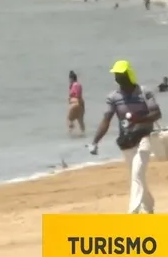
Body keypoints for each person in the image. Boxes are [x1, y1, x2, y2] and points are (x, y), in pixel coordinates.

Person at [87, 60, 162, 214]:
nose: (118, 78)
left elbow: (157, 113)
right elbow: (106, 120)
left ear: (129, 74)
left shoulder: (144, 92)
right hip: (127, 142)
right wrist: (95, 142)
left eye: (121, 74)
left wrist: (138, 119)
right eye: (116, 75)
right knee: (137, 176)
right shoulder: (114, 97)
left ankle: (132, 213)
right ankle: (149, 206)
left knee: (137, 173)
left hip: (145, 138)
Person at [67, 71, 85, 135]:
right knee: (80, 121)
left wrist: (70, 99)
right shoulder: (78, 85)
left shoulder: (74, 85)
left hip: (75, 103)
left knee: (70, 119)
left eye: (69, 79)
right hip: (81, 103)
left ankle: (70, 134)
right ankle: (83, 134)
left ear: (71, 78)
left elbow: (77, 95)